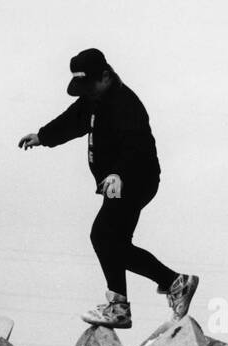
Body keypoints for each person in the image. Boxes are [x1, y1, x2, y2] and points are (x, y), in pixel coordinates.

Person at [19, 48, 197, 329]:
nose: (86, 92)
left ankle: (121, 306)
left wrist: (118, 173)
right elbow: (72, 120)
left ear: (106, 76)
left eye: (89, 85)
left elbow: (136, 147)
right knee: (114, 244)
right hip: (119, 184)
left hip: (135, 180)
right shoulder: (94, 98)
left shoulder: (126, 103)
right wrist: (43, 136)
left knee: (103, 236)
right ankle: (173, 283)